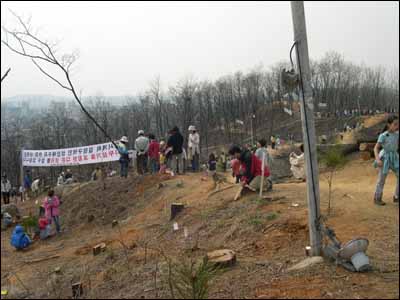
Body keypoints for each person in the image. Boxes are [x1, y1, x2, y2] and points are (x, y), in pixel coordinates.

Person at [373, 115, 399, 205]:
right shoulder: (383, 136)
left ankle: (396, 196)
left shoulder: (397, 134)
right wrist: (378, 160)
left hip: (395, 157)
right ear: (389, 124)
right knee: (382, 179)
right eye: (395, 124)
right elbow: (375, 148)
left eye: (398, 124)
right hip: (385, 158)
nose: (397, 126)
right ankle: (377, 198)